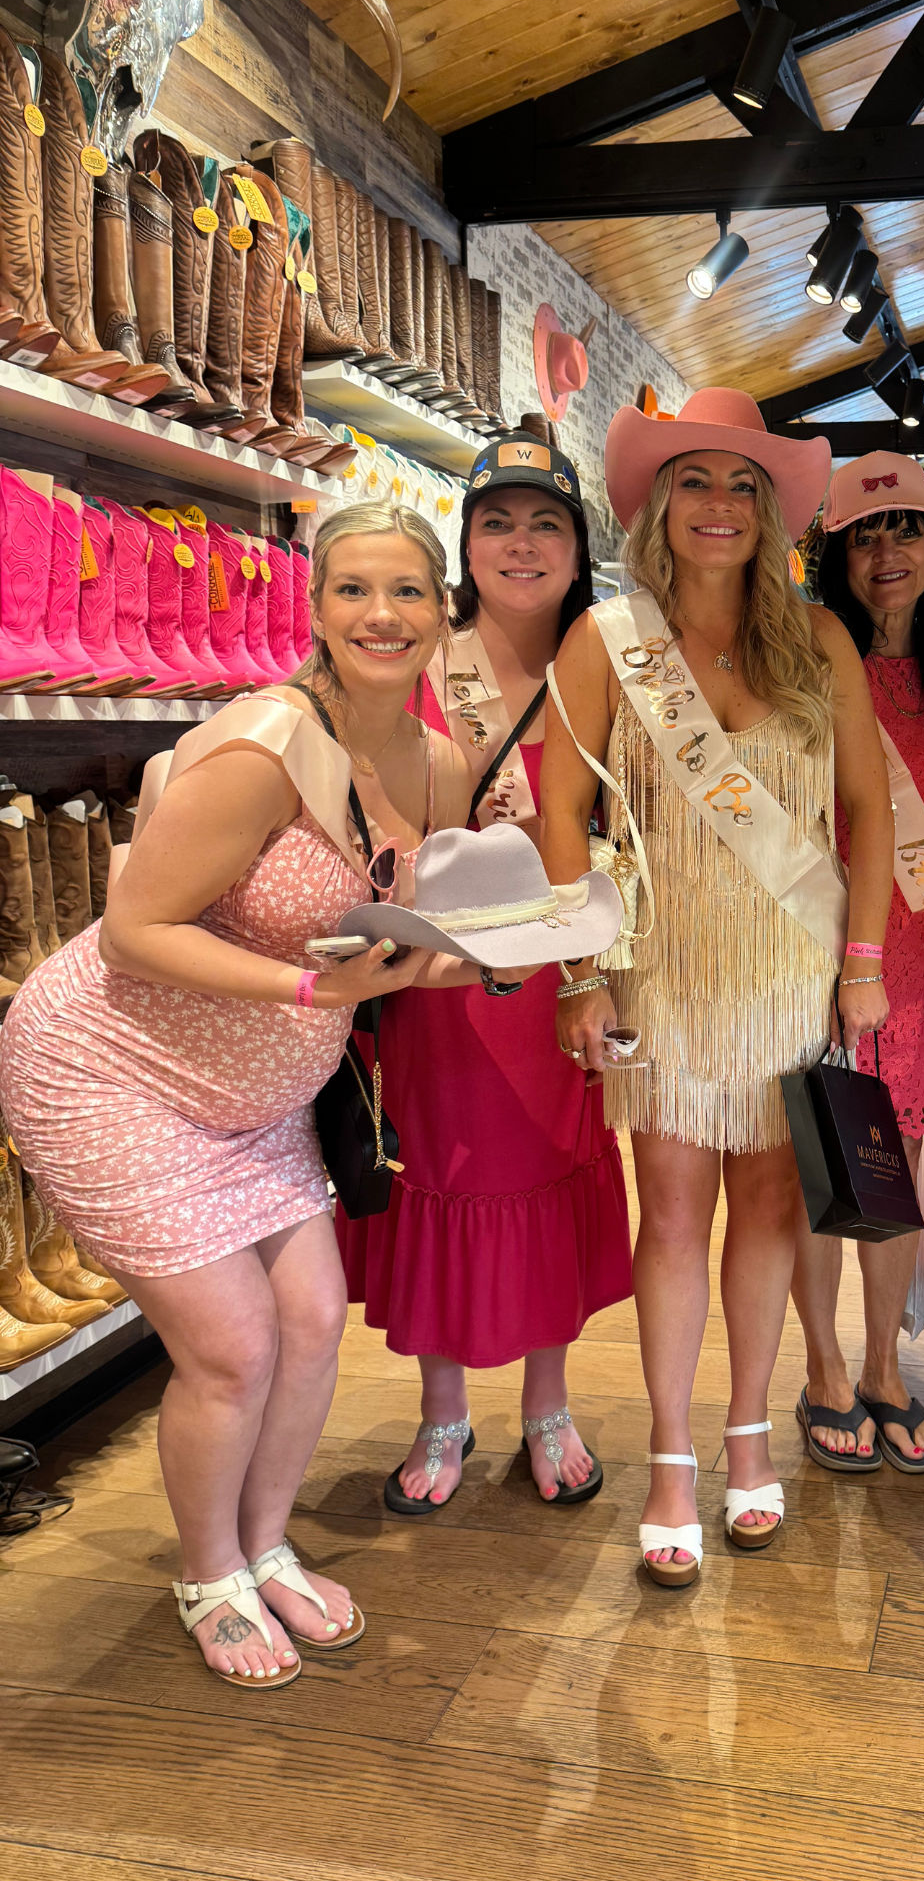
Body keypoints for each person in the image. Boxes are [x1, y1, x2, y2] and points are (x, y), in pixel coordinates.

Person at [0, 505, 469, 1687]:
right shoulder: (262, 746)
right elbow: (131, 933)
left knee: (314, 1321)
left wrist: (467, 954)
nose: (382, 615)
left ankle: (266, 1544)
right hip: (115, 1072)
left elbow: (410, 928)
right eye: (355, 590)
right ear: (315, 609)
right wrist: (310, 985)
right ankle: (210, 1570)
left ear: (442, 612)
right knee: (233, 1345)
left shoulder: (438, 758)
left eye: (409, 591)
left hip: (257, 1092)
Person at [542, 388, 893, 1588]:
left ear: (774, 511)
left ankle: (751, 1432)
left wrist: (863, 963)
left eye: (745, 485)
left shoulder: (820, 639)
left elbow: (868, 809)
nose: (722, 505)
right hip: (664, 976)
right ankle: (674, 1457)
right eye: (696, 479)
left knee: (777, 1212)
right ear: (654, 500)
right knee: (675, 1213)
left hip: (793, 971)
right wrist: (579, 972)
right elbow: (559, 812)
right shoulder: (607, 638)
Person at [336, 425, 633, 1512]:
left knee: (552, 1170)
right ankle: (443, 1410)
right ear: (467, 543)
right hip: (435, 980)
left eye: (543, 522)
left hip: (565, 977)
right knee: (445, 1175)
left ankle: (550, 1406)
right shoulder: (418, 650)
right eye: (496, 522)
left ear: (576, 542)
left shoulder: (612, 657)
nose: (519, 543)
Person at [790, 452, 924, 1476]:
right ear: (834, 552)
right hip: (811, 951)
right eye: (863, 533)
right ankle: (825, 1369)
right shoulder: (800, 662)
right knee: (817, 1173)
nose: (885, 550)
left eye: (905, 528)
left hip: (913, 969)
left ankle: (884, 1368)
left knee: (891, 1179)